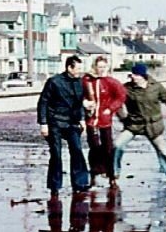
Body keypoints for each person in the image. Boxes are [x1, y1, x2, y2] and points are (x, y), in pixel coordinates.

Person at [113, 63, 166, 186]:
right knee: (117, 145)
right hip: (134, 124)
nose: (132, 77)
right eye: (132, 74)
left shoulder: (156, 87)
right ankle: (115, 173)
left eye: (135, 74)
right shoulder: (126, 89)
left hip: (153, 126)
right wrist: (123, 118)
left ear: (142, 76)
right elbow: (117, 103)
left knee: (164, 152)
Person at [37, 55, 89, 195]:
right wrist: (43, 123)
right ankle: (55, 186)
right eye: (77, 68)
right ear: (69, 68)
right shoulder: (54, 82)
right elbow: (43, 102)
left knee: (77, 150)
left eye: (80, 68)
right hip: (55, 121)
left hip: (72, 122)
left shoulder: (79, 82)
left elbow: (79, 104)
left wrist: (82, 119)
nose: (80, 71)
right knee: (56, 154)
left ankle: (80, 183)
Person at [82, 56, 127, 186]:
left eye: (103, 67)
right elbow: (79, 94)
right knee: (94, 147)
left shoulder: (111, 82)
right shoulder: (86, 80)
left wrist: (111, 108)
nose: (101, 70)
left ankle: (111, 175)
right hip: (91, 120)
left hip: (105, 120)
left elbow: (121, 96)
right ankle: (94, 173)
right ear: (94, 67)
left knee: (108, 148)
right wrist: (85, 102)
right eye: (99, 67)